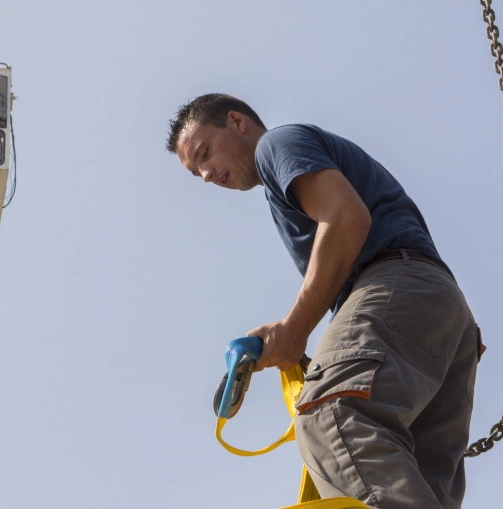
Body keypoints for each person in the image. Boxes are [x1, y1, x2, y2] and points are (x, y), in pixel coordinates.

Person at [167, 93, 483, 509]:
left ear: (237, 122)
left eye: (205, 153)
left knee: (329, 416)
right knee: (418, 478)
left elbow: (346, 219)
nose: (207, 175)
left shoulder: (276, 146)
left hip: (397, 288)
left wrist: (294, 329)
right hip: (437, 312)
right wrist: (285, 333)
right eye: (197, 173)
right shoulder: (285, 175)